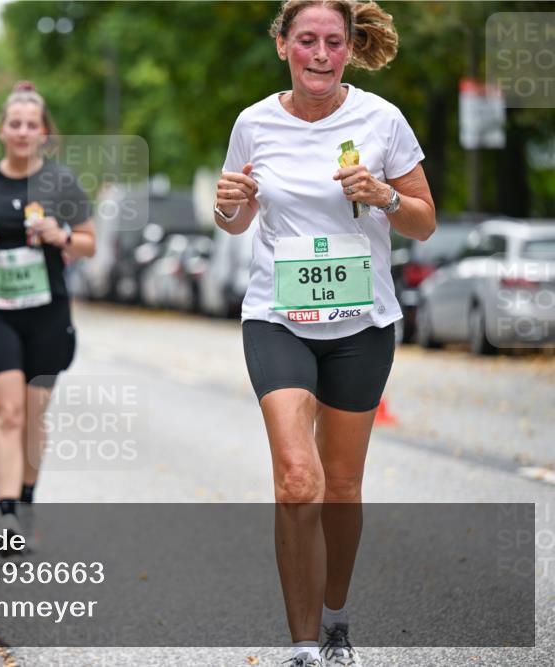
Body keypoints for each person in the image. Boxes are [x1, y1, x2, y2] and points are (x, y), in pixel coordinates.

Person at [214, 2, 435, 666]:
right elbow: (236, 217)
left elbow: (423, 221)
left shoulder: (381, 120)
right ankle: (304, 645)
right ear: (282, 44)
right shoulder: (254, 123)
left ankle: (336, 620)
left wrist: (387, 196)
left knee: (340, 485)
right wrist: (227, 206)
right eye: (305, 39)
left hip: (361, 324)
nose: (319, 52)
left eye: (332, 42)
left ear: (349, 48)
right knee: (297, 478)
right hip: (278, 317)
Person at [0, 81, 96, 553]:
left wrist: (61, 236)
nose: (22, 131)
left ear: (44, 133)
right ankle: (8, 517)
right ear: (1, 130)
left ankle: (28, 497)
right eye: (14, 123)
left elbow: (89, 242)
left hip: (47, 311)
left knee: (34, 417)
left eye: (31, 125)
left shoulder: (62, 183)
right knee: (9, 414)